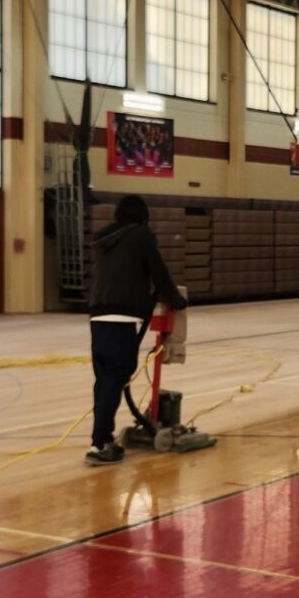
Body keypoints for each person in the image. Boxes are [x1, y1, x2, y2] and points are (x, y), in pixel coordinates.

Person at [85, 195, 186, 465]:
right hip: (122, 316)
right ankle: (99, 444)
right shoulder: (141, 235)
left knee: (104, 379)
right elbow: (159, 272)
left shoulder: (103, 239)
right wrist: (177, 300)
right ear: (142, 216)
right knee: (115, 379)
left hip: (97, 316)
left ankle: (102, 438)